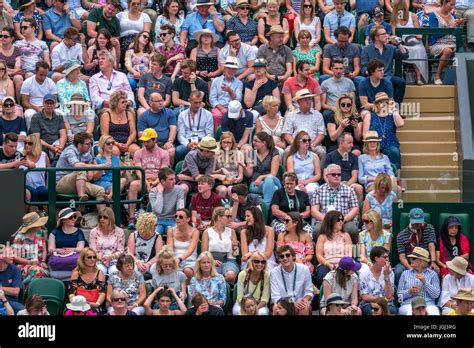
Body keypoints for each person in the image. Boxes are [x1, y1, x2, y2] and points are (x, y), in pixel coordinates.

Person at [127, 128, 170, 227]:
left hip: (158, 179)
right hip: (143, 179)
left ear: (154, 140)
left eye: (147, 141)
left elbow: (163, 172)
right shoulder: (138, 153)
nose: (145, 144)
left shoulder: (164, 153)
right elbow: (138, 170)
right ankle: (132, 217)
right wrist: (145, 181)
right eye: (143, 141)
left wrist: (155, 182)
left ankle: (156, 218)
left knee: (158, 189)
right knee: (133, 185)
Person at [311, 164, 359, 243]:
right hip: (325, 220)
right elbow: (314, 211)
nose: (337, 176)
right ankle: (320, 253)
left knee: (352, 229)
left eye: (339, 174)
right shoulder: (319, 190)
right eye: (333, 174)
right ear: (327, 176)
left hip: (344, 221)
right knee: (317, 230)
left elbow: (355, 209)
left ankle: (351, 253)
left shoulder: (349, 190)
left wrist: (343, 220)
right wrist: (327, 220)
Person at [55, 132, 106, 208]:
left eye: (90, 143)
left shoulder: (87, 152)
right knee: (81, 169)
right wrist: (97, 166)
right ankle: (81, 198)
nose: (90, 146)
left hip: (79, 182)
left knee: (100, 191)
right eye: (87, 144)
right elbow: (77, 165)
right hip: (62, 184)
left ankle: (102, 216)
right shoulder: (70, 151)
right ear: (79, 145)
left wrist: (90, 171)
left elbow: (90, 166)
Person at [361, 25, 409, 104]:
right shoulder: (366, 49)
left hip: (387, 76)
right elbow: (364, 68)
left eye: (386, 33)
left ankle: (396, 108)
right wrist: (374, 74)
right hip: (373, 77)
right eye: (383, 34)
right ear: (376, 37)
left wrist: (398, 44)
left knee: (401, 82)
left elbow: (405, 55)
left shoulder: (390, 48)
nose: (386, 35)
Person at [362, 92, 404, 171]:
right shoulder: (370, 115)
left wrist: (394, 110)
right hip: (374, 144)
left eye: (386, 102)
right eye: (381, 102)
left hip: (390, 143)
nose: (384, 104)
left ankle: (396, 178)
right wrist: (370, 145)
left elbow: (401, 124)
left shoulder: (392, 115)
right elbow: (365, 133)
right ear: (376, 104)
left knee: (394, 151)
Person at [394, 208, 439, 283]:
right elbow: (402, 257)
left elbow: (431, 246)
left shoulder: (429, 228)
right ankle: (400, 294)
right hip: (409, 262)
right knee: (398, 271)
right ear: (410, 219)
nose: (417, 224)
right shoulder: (401, 235)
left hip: (425, 261)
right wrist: (411, 269)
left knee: (436, 271)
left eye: (419, 222)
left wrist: (433, 262)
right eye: (415, 222)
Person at [390, 0, 429, 85]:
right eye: (398, 10)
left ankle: (418, 78)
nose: (400, 12)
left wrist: (418, 35)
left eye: (402, 9)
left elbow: (419, 33)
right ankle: (400, 77)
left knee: (417, 50)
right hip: (401, 43)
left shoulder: (413, 16)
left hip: (414, 42)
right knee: (399, 50)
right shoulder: (394, 18)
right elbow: (394, 34)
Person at [282, 89, 326, 161]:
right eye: (306, 99)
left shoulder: (318, 115)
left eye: (310, 99)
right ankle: (287, 172)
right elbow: (287, 135)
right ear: (299, 102)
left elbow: (321, 134)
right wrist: (296, 145)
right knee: (287, 152)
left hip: (313, 144)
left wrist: (312, 145)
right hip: (296, 144)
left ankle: (319, 172)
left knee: (322, 152)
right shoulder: (291, 115)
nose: (309, 101)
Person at [270, 245, 313, 315]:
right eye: (282, 256)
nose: (285, 258)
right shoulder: (274, 272)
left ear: (293, 257)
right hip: (283, 303)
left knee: (304, 307)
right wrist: (291, 304)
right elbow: (275, 296)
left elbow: (309, 291)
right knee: (276, 307)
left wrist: (304, 300)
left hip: (300, 302)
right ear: (279, 259)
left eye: (287, 255)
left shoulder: (304, 269)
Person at [314, 210, 353, 288]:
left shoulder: (346, 235)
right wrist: (328, 264)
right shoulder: (322, 236)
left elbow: (349, 254)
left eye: (342, 220)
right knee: (322, 274)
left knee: (352, 275)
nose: (341, 222)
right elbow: (319, 255)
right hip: (326, 263)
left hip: (343, 263)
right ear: (331, 221)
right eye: (339, 220)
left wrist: (341, 264)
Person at [398, 246, 441, 315]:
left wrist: (425, 282)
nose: (410, 260)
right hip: (409, 304)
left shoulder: (433, 274)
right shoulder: (405, 273)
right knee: (409, 313)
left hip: (428, 304)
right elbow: (399, 297)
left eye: (413, 258)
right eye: (410, 258)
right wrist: (409, 292)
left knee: (434, 313)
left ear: (421, 261)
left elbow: (436, 295)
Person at [202, 207, 239, 284]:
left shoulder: (232, 232)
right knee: (212, 276)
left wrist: (235, 248)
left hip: (229, 260)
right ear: (219, 218)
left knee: (230, 275)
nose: (230, 219)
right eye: (228, 216)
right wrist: (212, 261)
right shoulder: (207, 232)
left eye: (230, 216)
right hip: (211, 261)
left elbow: (236, 254)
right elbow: (204, 253)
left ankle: (225, 288)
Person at [137, 93, 176, 166]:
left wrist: (170, 142)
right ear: (150, 103)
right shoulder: (144, 116)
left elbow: (173, 128)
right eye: (158, 101)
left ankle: (168, 173)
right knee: (147, 150)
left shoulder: (170, 112)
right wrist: (153, 144)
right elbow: (141, 133)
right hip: (150, 143)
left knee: (171, 151)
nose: (161, 103)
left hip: (165, 143)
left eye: (161, 100)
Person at [429, 0, 462, 85]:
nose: (453, 7)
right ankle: (437, 76)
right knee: (448, 51)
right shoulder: (433, 15)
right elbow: (435, 34)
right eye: (451, 4)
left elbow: (457, 32)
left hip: (453, 42)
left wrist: (461, 24)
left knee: (462, 50)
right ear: (444, 2)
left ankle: (459, 77)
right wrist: (451, 27)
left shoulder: (453, 15)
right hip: (438, 43)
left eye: (454, 5)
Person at [244, 132, 282, 206]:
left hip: (274, 181)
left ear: (264, 143)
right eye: (253, 140)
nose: (253, 143)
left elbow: (273, 173)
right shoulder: (252, 154)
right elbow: (249, 175)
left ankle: (266, 205)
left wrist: (261, 177)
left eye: (256, 141)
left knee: (269, 179)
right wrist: (243, 167)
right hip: (256, 184)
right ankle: (268, 207)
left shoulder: (274, 153)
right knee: (274, 189)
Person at [323, 133, 363, 203]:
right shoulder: (330, 156)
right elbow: (325, 175)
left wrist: (345, 186)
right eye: (349, 143)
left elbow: (354, 177)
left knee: (359, 188)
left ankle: (357, 212)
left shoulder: (354, 157)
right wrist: (334, 185)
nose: (352, 145)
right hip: (333, 183)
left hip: (349, 183)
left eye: (352, 143)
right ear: (341, 143)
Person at [11, 212, 48, 284]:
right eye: (38, 223)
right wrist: (29, 262)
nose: (41, 225)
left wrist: (43, 261)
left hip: (39, 264)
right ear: (32, 226)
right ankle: (33, 291)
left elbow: (44, 250)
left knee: (39, 271)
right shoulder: (20, 237)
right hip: (24, 265)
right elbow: (14, 257)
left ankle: (33, 291)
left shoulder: (40, 232)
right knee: (36, 271)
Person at [175, 91, 214, 162]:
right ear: (189, 101)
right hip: (188, 141)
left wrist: (202, 143)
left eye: (200, 102)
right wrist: (187, 144)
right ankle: (182, 168)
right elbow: (180, 135)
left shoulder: (208, 114)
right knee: (179, 150)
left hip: (202, 141)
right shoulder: (182, 115)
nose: (198, 105)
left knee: (207, 150)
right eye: (195, 103)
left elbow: (210, 134)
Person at [359, 246, 397, 315]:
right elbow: (365, 297)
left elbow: (389, 295)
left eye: (387, 257)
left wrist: (386, 276)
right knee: (370, 311)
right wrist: (381, 299)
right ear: (376, 258)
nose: (387, 259)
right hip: (369, 304)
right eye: (385, 257)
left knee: (392, 311)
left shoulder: (389, 272)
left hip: (387, 304)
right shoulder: (364, 273)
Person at [20, 61, 57, 131]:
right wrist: (37, 108)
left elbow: (54, 99)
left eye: (45, 75)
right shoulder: (27, 83)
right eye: (41, 75)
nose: (43, 77)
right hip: (32, 107)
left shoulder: (51, 82)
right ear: (35, 71)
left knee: (60, 113)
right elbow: (24, 102)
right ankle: (31, 134)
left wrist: (47, 108)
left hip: (48, 105)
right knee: (29, 115)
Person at [209, 56, 243, 131]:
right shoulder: (216, 81)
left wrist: (230, 91)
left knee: (239, 115)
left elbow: (238, 99)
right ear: (224, 69)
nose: (231, 70)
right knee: (217, 116)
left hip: (234, 108)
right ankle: (217, 137)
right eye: (229, 68)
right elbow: (212, 99)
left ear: (236, 70)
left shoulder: (239, 83)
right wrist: (222, 109)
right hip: (219, 107)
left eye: (233, 69)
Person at [68, 247, 106, 313]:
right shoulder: (76, 273)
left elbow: (102, 293)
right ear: (83, 259)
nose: (92, 259)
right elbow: (71, 293)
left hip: (94, 305)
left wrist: (97, 304)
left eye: (94, 257)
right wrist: (76, 305)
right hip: (77, 305)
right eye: (89, 257)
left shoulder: (100, 273)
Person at [30, 94, 67, 160]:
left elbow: (63, 135)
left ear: (55, 104)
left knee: (68, 147)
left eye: (51, 103)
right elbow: (36, 138)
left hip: (57, 144)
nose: (49, 105)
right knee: (39, 148)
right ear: (43, 104)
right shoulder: (36, 117)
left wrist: (60, 147)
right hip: (44, 144)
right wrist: (51, 147)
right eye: (47, 103)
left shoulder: (59, 117)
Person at [89, 207, 125, 276]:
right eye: (100, 217)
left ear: (110, 218)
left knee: (115, 271)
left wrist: (110, 257)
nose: (102, 219)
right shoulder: (93, 232)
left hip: (115, 260)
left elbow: (121, 251)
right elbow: (92, 250)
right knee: (100, 271)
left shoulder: (119, 231)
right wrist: (102, 258)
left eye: (105, 217)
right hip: (99, 260)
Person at [166, 208, 199, 283]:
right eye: (176, 216)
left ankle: (187, 291)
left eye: (180, 217)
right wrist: (174, 259)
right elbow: (170, 248)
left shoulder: (195, 232)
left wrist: (179, 259)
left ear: (188, 219)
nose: (177, 218)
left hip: (190, 260)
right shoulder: (170, 230)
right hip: (174, 259)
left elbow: (190, 251)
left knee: (188, 271)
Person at [149, 167, 185, 235]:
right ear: (162, 181)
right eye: (171, 179)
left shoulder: (179, 190)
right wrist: (160, 193)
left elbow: (180, 210)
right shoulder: (153, 192)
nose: (174, 181)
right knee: (155, 234)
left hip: (173, 220)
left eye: (174, 179)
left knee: (173, 233)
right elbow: (158, 211)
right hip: (158, 221)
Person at [285, 131, 321, 199]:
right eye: (304, 140)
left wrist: (306, 182)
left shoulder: (314, 156)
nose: (307, 142)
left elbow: (318, 175)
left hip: (311, 182)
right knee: (297, 191)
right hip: (297, 183)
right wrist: (300, 184)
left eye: (309, 140)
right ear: (298, 142)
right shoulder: (291, 158)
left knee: (312, 190)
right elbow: (291, 175)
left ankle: (313, 208)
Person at [47, 208, 85, 272]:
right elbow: (50, 249)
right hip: (59, 256)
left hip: (74, 256)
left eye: (74, 217)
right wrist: (59, 250)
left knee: (78, 259)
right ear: (63, 220)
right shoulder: (54, 232)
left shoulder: (79, 232)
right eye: (70, 217)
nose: (73, 219)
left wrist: (71, 250)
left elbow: (81, 248)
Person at [320, 58, 356, 123]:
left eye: (341, 68)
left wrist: (346, 109)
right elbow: (323, 104)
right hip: (332, 109)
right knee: (326, 113)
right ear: (331, 69)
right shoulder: (325, 83)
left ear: (344, 69)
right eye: (336, 68)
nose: (338, 71)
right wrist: (333, 108)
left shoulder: (349, 82)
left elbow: (352, 100)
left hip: (346, 107)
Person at [92, 135, 126, 200]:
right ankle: (111, 197)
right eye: (108, 143)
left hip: (114, 181)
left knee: (123, 180)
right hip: (103, 181)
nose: (111, 145)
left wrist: (124, 170)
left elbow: (120, 176)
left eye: (112, 143)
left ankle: (110, 196)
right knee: (115, 188)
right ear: (103, 145)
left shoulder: (116, 158)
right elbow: (95, 178)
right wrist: (102, 169)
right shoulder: (97, 159)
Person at [212, 132, 244, 199]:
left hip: (234, 180)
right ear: (220, 143)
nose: (226, 144)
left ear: (232, 143)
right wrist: (220, 170)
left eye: (229, 142)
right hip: (220, 180)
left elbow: (240, 174)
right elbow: (212, 172)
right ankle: (220, 209)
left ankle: (232, 208)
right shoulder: (216, 153)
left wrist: (238, 179)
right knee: (223, 190)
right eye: (224, 142)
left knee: (230, 190)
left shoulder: (239, 154)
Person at [23, 135, 49, 209]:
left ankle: (47, 216)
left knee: (46, 191)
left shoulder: (44, 155)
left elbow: (49, 172)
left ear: (36, 145)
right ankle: (32, 216)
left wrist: (47, 185)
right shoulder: (21, 155)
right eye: (25, 143)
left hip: (40, 184)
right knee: (33, 192)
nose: (27, 145)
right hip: (25, 185)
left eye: (30, 143)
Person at [0, 27, 23, 100]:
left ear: (12, 38)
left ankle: (19, 104)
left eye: (6, 36)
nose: (2, 38)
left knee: (19, 78)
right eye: (1, 36)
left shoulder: (17, 50)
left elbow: (17, 68)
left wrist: (10, 71)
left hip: (13, 74)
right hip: (1, 73)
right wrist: (9, 71)